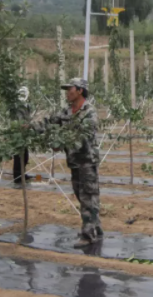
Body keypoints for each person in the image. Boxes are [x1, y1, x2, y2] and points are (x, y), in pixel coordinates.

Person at [35, 78, 102, 248]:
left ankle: (88, 235)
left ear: (80, 91)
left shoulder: (89, 112)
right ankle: (95, 227)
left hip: (87, 161)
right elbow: (50, 123)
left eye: (69, 89)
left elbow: (83, 137)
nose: (67, 92)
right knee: (81, 195)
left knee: (88, 196)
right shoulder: (66, 111)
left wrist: (61, 143)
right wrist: (30, 127)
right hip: (73, 161)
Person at [12, 86, 32, 184]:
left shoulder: (26, 105)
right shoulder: (19, 106)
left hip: (24, 134)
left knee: (25, 156)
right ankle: (17, 176)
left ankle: (22, 174)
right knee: (18, 156)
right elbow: (19, 120)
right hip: (18, 134)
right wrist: (22, 126)